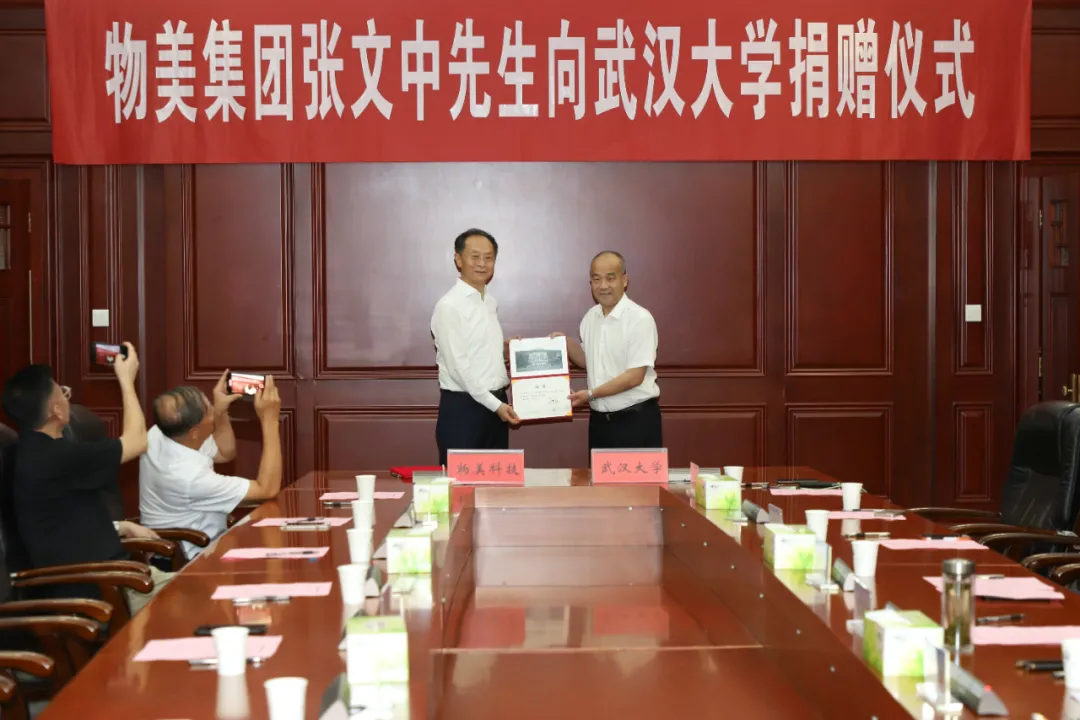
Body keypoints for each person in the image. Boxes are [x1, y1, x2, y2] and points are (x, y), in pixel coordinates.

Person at [0, 343, 168, 615]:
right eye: (63, 393)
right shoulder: (57, 457)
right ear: (56, 410)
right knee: (204, 596)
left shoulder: (37, 452)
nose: (68, 398)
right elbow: (137, 441)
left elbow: (60, 522)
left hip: (118, 577)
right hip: (105, 589)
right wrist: (127, 381)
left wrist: (120, 526)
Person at [139, 371, 282, 559]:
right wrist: (270, 419)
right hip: (188, 559)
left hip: (200, 545)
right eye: (209, 410)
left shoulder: (161, 432)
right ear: (194, 432)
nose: (212, 411)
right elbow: (267, 489)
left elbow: (224, 453)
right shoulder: (189, 477)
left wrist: (220, 412)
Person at [431, 228, 520, 466]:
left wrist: (506, 352)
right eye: (475, 256)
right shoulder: (449, 306)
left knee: (495, 483)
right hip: (464, 410)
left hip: (496, 406)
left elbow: (478, 352)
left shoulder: (489, 302)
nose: (482, 263)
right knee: (460, 484)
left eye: (488, 258)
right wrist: (497, 406)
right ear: (458, 259)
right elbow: (459, 369)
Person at [557, 251, 663, 450]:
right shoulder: (590, 317)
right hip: (600, 424)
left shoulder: (639, 319)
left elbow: (634, 376)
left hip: (635, 422)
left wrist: (591, 394)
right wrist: (565, 344)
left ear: (625, 280)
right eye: (596, 279)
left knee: (638, 473)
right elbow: (589, 361)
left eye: (610, 278)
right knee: (600, 473)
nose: (603, 285)